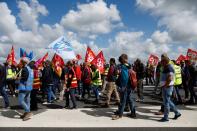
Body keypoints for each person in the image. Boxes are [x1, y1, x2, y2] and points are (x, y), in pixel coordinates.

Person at [112, 54, 136, 120]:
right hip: (129, 86)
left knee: (122, 101)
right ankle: (133, 113)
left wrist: (117, 72)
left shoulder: (121, 67)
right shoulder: (129, 66)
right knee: (130, 100)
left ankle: (120, 114)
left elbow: (118, 75)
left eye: (121, 59)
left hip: (124, 86)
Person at [159, 54, 181, 122]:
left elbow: (170, 78)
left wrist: (165, 85)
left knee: (166, 103)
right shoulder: (166, 67)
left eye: (162, 61)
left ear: (165, 61)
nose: (161, 63)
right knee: (168, 101)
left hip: (167, 87)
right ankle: (177, 113)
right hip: (166, 87)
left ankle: (166, 117)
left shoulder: (169, 67)